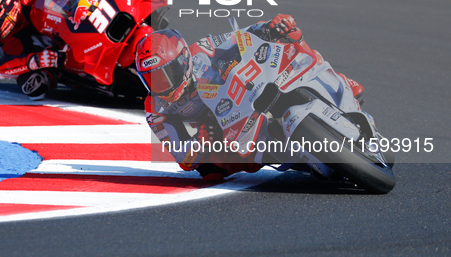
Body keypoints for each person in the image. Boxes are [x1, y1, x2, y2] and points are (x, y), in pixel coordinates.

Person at [135, 14, 364, 181]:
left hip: (240, 95)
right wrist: (200, 143)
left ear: (184, 61)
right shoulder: (155, 110)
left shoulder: (201, 51)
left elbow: (241, 36)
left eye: (167, 74)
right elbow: (182, 157)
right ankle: (286, 153)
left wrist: (269, 27)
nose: (162, 85)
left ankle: (330, 78)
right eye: (152, 79)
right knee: (211, 172)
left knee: (289, 37)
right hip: (216, 132)